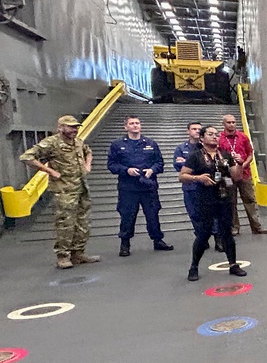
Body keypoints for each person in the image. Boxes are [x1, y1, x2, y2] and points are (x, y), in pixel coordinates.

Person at [19, 115, 99, 269]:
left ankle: (78, 253)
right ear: (61, 127)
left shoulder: (78, 142)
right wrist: (49, 171)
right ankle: (63, 256)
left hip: (81, 189)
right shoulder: (51, 143)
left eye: (76, 127)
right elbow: (27, 157)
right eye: (70, 127)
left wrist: (87, 166)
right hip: (64, 191)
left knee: (83, 223)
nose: (74, 130)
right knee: (65, 224)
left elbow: (88, 151)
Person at [179, 125, 247, 281]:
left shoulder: (224, 155)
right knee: (204, 233)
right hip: (205, 199)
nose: (215, 137)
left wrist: (240, 164)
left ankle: (233, 264)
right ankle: (194, 266)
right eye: (210, 134)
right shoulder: (195, 156)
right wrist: (198, 178)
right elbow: (182, 176)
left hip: (224, 197)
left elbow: (236, 177)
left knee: (227, 233)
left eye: (216, 134)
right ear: (202, 138)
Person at [107, 115, 173, 257]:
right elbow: (111, 165)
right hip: (128, 188)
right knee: (127, 216)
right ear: (126, 127)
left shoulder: (151, 143)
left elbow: (160, 163)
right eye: (131, 123)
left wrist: (152, 170)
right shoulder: (117, 144)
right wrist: (126, 170)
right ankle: (125, 243)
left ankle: (157, 240)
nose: (135, 125)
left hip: (148, 187)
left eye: (137, 123)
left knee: (153, 215)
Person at [174, 121, 224, 253]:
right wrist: (194, 169)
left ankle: (218, 239)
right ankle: (202, 238)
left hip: (209, 187)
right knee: (194, 214)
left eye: (199, 129)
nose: (196, 131)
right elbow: (179, 167)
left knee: (214, 215)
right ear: (188, 131)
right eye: (194, 129)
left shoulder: (212, 149)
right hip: (191, 187)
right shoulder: (181, 148)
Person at [220, 113, 267, 236]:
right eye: (228, 122)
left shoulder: (243, 137)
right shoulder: (220, 139)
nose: (231, 125)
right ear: (223, 124)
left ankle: (256, 226)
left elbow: (250, 154)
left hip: (245, 174)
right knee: (231, 202)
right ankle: (234, 227)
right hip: (228, 176)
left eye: (233, 122)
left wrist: (244, 164)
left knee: (250, 200)